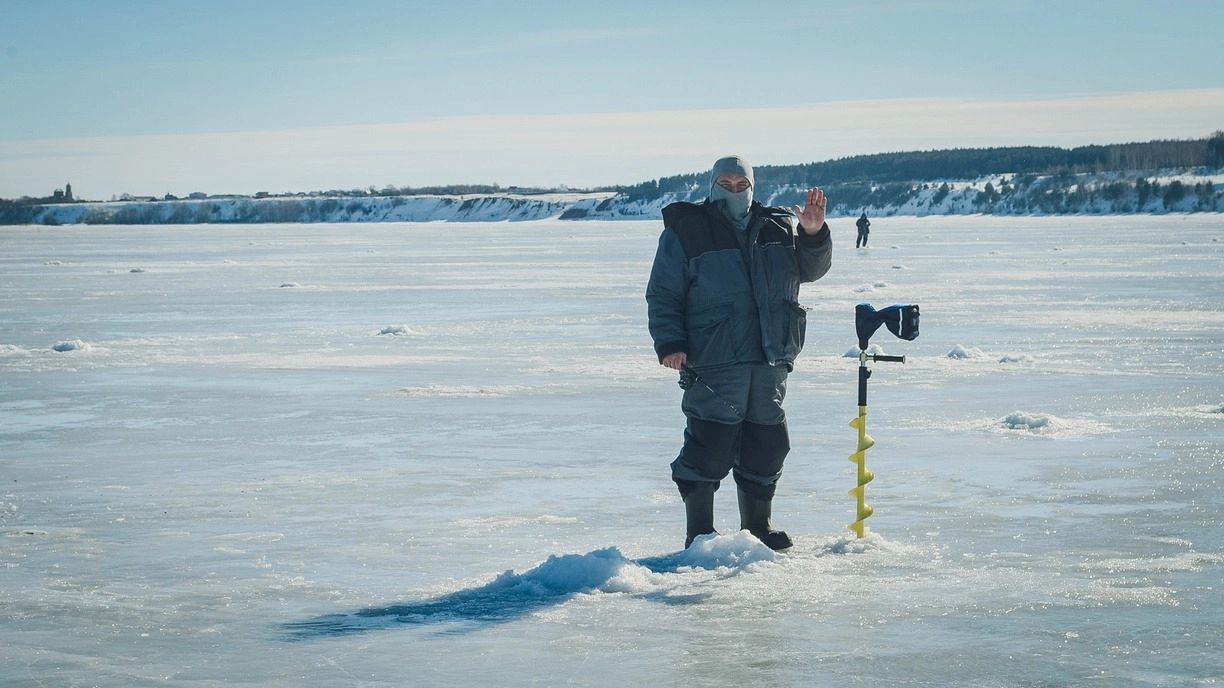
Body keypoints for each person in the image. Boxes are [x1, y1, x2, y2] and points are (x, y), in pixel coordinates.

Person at [645, 155, 833, 551]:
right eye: (725, 183)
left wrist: (813, 234)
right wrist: (670, 343)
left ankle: (758, 529)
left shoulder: (778, 225)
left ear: (752, 187)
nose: (733, 190)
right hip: (715, 355)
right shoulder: (687, 229)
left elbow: (810, 269)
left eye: (740, 184)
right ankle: (700, 534)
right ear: (711, 185)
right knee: (709, 442)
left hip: (770, 356)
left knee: (767, 443)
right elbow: (664, 292)